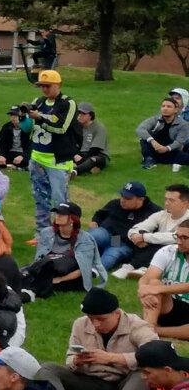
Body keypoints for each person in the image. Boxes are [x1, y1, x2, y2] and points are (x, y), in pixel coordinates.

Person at [26, 70, 79, 235]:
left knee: (60, 201)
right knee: (40, 198)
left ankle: (64, 232)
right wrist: (23, 118)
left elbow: (62, 128)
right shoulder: (38, 102)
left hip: (58, 161)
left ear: (58, 85)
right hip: (37, 158)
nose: (44, 90)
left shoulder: (67, 103)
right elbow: (28, 128)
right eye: (41, 86)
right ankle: (42, 232)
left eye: (48, 86)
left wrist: (39, 118)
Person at [23, 201, 106, 298]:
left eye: (62, 214)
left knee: (41, 279)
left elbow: (84, 269)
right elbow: (38, 260)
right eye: (57, 213)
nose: (57, 216)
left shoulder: (85, 239)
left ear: (72, 219)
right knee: (23, 273)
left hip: (71, 277)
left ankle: (30, 293)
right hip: (46, 270)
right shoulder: (47, 233)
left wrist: (61, 279)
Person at [92, 181, 160, 277]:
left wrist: (144, 239)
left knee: (113, 254)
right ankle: (69, 254)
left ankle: (94, 271)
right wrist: (94, 222)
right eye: (122, 196)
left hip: (124, 243)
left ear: (140, 199)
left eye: (128, 198)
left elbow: (159, 235)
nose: (123, 200)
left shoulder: (154, 213)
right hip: (107, 233)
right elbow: (100, 214)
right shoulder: (114, 204)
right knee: (94, 235)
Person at [140, 219, 189, 340]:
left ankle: (151, 331)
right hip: (169, 306)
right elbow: (147, 278)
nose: (178, 241)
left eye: (184, 238)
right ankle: (148, 329)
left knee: (155, 287)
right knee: (153, 283)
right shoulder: (168, 251)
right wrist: (144, 291)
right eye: (177, 236)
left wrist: (158, 290)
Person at [139, 98, 189, 170]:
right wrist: (152, 141)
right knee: (145, 136)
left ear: (176, 110)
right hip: (154, 149)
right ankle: (149, 159)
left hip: (171, 151)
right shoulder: (155, 120)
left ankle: (162, 161)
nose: (165, 109)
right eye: (163, 106)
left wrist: (167, 148)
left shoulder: (182, 124)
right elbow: (140, 129)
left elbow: (180, 141)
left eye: (169, 107)